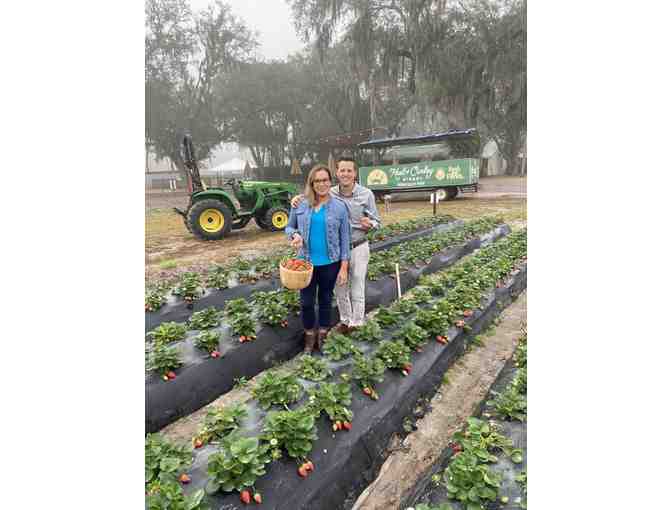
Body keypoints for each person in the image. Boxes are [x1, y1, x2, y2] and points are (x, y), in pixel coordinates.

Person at [291, 155, 381, 334]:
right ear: (337, 173)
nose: (345, 174)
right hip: (338, 249)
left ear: (355, 173)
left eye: (349, 170)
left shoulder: (366, 194)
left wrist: (371, 224)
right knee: (340, 288)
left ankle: (357, 323)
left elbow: (377, 221)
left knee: (356, 284)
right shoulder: (329, 191)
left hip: (358, 245)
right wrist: (296, 199)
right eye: (342, 170)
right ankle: (345, 320)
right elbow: (311, 194)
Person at [285, 164, 351, 353]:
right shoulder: (301, 204)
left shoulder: (339, 207)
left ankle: (322, 334)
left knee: (324, 299)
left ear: (330, 182)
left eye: (325, 180)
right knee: (306, 303)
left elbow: (345, 238)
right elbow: (289, 227)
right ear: (311, 183)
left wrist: (344, 267)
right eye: (317, 181)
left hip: (331, 263)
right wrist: (294, 235)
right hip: (305, 264)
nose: (321, 184)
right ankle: (309, 337)